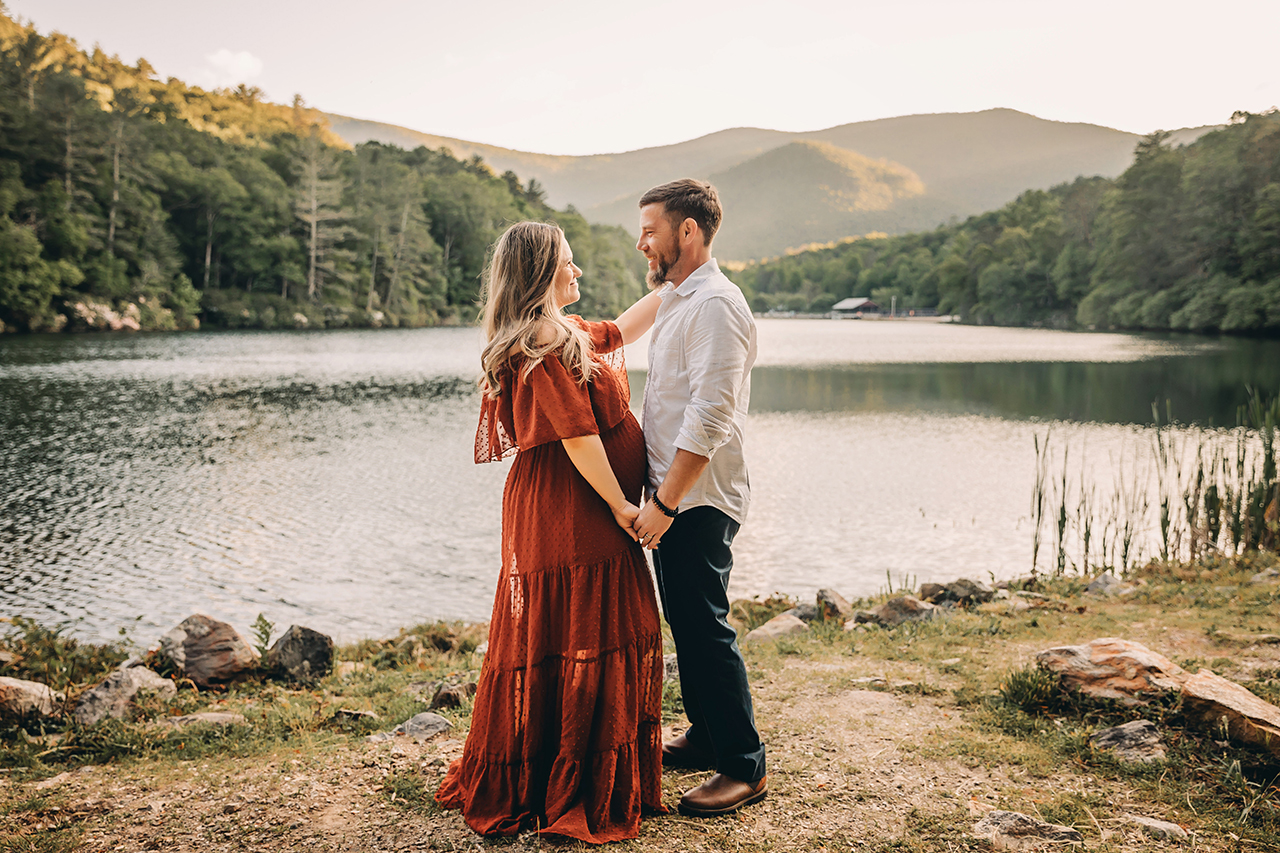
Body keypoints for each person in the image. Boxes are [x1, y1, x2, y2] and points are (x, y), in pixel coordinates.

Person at [436, 221, 666, 843]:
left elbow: (624, 328)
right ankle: (568, 782)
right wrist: (622, 505)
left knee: (584, 630)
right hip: (574, 507)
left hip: (578, 502)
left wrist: (680, 282)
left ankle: (575, 766)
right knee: (585, 628)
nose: (579, 271)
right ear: (541, 273)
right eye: (569, 261)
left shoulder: (563, 331)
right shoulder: (540, 343)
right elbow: (577, 436)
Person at [631, 179, 767, 817]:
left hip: (697, 497)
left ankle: (744, 765)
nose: (642, 243)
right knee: (686, 621)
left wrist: (663, 503)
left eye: (650, 230)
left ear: (688, 231)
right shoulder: (677, 298)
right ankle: (708, 734)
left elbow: (711, 416)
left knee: (705, 627)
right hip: (675, 493)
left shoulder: (716, 304)